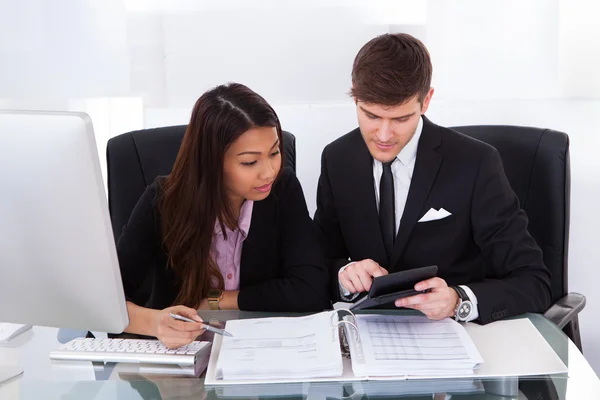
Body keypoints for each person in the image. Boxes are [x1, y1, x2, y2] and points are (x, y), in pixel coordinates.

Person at [314, 33, 551, 324]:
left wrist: (458, 300)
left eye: (401, 119)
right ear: (355, 96)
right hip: (367, 340)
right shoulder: (337, 159)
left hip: (455, 337)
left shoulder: (476, 163)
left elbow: (534, 281)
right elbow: (317, 263)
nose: (384, 135)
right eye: (371, 116)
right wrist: (343, 274)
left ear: (426, 100)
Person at [117, 83, 330, 348]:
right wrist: (155, 323)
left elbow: (311, 290)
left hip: (261, 353)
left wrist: (218, 299)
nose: (269, 172)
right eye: (250, 162)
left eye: (274, 153)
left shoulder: (282, 189)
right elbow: (107, 302)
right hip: (179, 361)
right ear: (212, 162)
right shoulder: (162, 201)